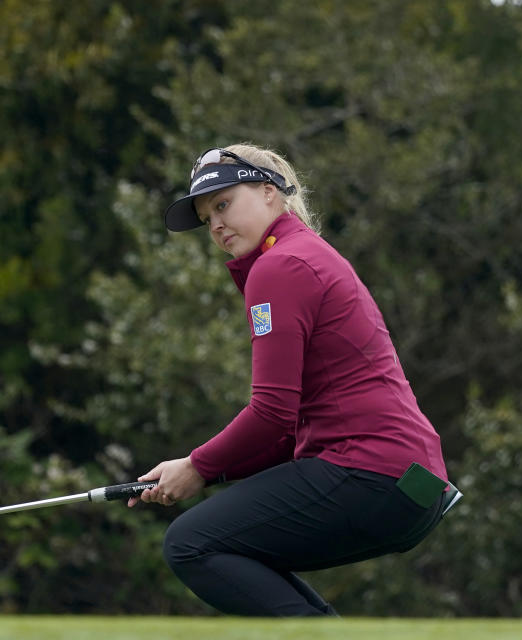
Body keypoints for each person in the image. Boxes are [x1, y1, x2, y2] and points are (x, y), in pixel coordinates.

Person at [128, 144, 457, 616]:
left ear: (268, 192)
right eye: (206, 218)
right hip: (410, 483)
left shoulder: (280, 267)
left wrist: (198, 467)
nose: (216, 225)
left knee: (191, 542)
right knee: (233, 545)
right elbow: (289, 431)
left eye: (223, 204)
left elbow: (271, 413)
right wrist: (205, 470)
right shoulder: (305, 257)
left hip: (370, 471)